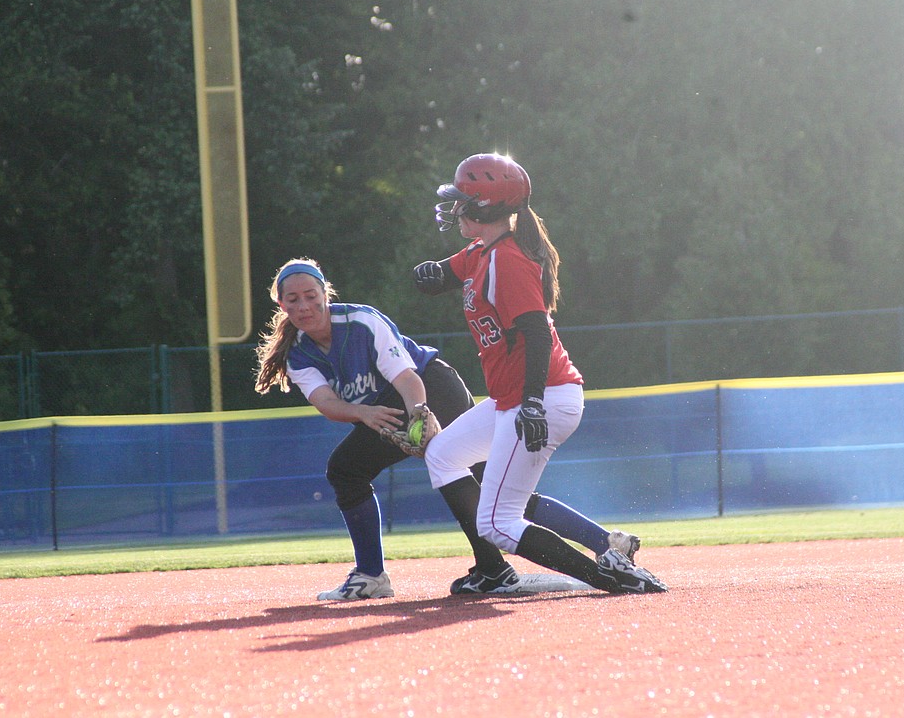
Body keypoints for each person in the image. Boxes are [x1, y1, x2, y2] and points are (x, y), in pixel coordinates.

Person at [254, 258, 639, 600]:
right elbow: (326, 403)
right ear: (281, 304)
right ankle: (373, 575)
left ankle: (514, 565)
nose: (303, 306)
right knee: (346, 470)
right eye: (293, 300)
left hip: (430, 388)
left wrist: (420, 413)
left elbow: (406, 379)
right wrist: (364, 415)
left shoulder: (360, 322)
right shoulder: (298, 351)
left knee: (491, 485)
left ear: (325, 293)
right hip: (383, 409)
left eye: (310, 295)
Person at [413, 153, 668, 594]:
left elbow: (535, 333)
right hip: (518, 398)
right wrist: (434, 274)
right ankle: (532, 563)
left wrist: (531, 402)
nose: (455, 208)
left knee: (496, 521)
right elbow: (449, 274)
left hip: (540, 397)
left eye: (463, 199)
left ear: (486, 206)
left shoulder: (505, 260)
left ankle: (608, 576)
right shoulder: (481, 252)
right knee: (443, 454)